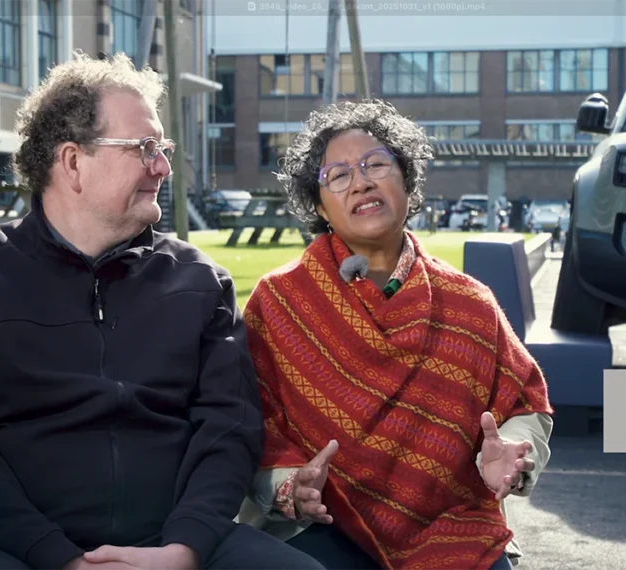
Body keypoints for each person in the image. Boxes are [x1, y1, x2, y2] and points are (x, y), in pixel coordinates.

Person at [0, 52, 326, 570]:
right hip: (11, 549)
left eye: (162, 148)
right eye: (144, 147)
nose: (163, 165)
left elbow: (228, 429)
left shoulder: (199, 281)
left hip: (176, 544)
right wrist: (59, 557)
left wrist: (183, 550)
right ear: (72, 162)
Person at [235, 99, 555, 570]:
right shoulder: (280, 301)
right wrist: (288, 485)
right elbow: (251, 422)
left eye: (376, 164)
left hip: (454, 523)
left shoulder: (470, 303)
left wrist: (512, 449)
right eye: (338, 175)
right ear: (319, 204)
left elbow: (525, 404)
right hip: (320, 524)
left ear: (407, 179)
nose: (361, 181)